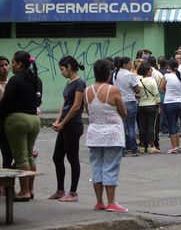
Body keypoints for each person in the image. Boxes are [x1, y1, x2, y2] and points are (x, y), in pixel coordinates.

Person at [84, 59, 128, 212]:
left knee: (96, 167)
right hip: (112, 135)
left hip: (94, 134)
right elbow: (124, 112)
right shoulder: (113, 90)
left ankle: (99, 202)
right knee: (110, 167)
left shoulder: (87, 90)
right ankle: (111, 202)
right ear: (109, 73)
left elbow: (89, 112)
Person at [0, 50, 42, 201]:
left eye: (12, 63)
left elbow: (6, 103)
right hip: (34, 120)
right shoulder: (36, 79)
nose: (11, 66)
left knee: (21, 157)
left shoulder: (15, 80)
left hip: (17, 121)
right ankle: (30, 190)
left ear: (19, 64)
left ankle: (23, 191)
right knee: (29, 155)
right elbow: (38, 101)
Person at [48, 56, 86, 202]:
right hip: (64, 124)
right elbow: (64, 104)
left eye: (62, 69)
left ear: (69, 67)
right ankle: (60, 190)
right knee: (57, 157)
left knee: (72, 158)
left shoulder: (80, 83)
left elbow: (76, 106)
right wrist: (58, 120)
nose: (61, 72)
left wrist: (63, 123)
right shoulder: (69, 83)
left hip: (73, 125)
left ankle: (73, 192)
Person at [112, 57, 141, 156]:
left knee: (122, 127)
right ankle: (134, 149)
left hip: (119, 102)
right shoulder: (130, 75)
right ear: (124, 64)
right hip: (130, 101)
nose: (131, 65)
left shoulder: (115, 74)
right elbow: (137, 90)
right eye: (129, 63)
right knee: (131, 126)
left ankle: (122, 150)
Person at [160, 60, 181, 154]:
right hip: (179, 102)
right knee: (175, 123)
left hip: (169, 102)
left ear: (169, 67)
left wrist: (167, 91)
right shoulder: (180, 76)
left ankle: (173, 147)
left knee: (171, 125)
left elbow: (161, 89)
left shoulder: (167, 76)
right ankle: (178, 145)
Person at [137, 62, 161, 154]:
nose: (152, 71)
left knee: (142, 127)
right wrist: (159, 106)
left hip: (141, 106)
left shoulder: (139, 81)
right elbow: (156, 94)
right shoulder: (152, 80)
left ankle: (142, 146)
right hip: (151, 106)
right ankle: (151, 146)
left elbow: (138, 94)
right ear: (147, 71)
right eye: (150, 70)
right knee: (151, 126)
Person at [0, 56, 13, 169]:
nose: (4, 67)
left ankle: (7, 184)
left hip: (12, 123)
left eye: (6, 65)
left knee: (11, 155)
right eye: (1, 66)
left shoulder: (13, 82)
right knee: (6, 154)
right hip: (1, 123)